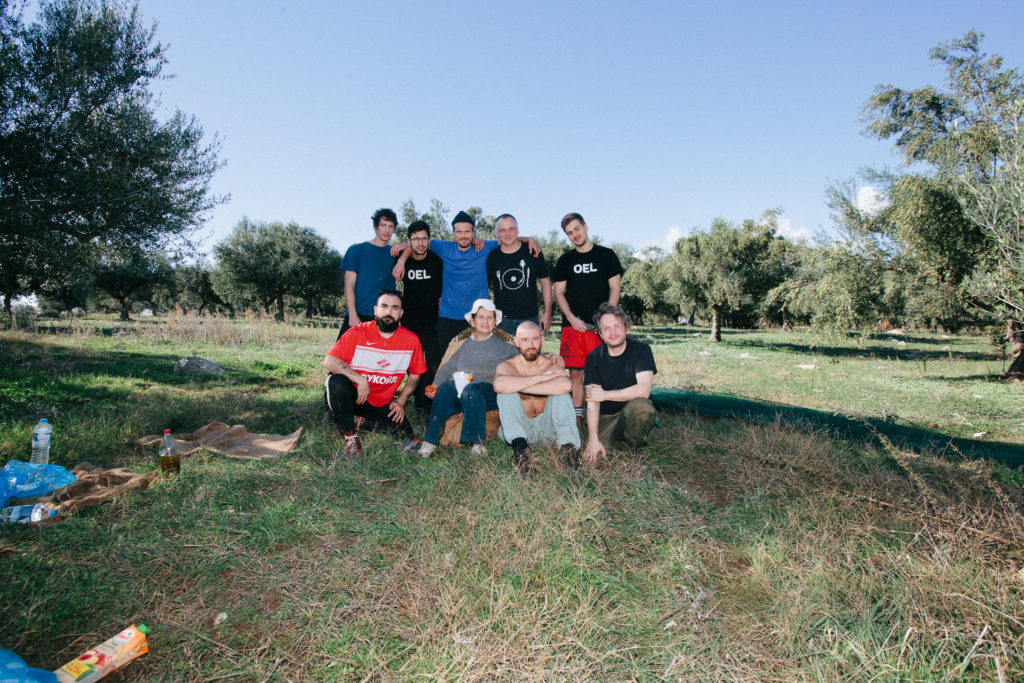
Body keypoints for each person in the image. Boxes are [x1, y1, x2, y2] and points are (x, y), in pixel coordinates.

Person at [393, 210, 541, 353]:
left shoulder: (483, 247)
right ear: (453, 233)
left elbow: (506, 238)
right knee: (446, 363)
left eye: (467, 232)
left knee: (477, 363)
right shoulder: (443, 247)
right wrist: (401, 260)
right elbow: (418, 244)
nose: (463, 236)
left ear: (473, 233)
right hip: (448, 317)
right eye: (459, 232)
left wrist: (529, 239)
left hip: (477, 318)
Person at [323, 289, 426, 458]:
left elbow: (415, 374)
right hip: (354, 396)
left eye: (394, 308)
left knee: (406, 435)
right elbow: (330, 361)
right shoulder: (357, 332)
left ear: (401, 313)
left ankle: (359, 421)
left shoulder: (411, 340)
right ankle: (351, 436)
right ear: (375, 310)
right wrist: (359, 380)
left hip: (380, 401)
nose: (388, 311)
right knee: (336, 382)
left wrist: (401, 401)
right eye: (384, 306)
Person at [416, 299, 518, 457]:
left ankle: (477, 444)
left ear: (495, 321)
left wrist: (548, 357)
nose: (485, 321)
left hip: (489, 392)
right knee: (445, 389)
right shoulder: (461, 342)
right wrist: (435, 385)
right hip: (462, 390)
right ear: (472, 320)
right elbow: (448, 368)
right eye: (481, 317)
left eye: (489, 317)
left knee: (472, 389)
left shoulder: (505, 343)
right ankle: (430, 441)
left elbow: (526, 356)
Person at [552, 212, 624, 421]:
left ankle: (603, 416)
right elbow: (559, 293)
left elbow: (615, 289)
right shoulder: (565, 260)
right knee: (575, 374)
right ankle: (576, 419)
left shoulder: (607, 255)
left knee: (600, 373)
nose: (575, 234)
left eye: (577, 229)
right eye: (569, 233)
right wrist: (572, 319)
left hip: (598, 328)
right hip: (572, 327)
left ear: (585, 226)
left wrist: (606, 320)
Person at [493, 321, 580, 479]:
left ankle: (569, 450)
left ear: (542, 339)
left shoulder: (550, 365)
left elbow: (566, 384)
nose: (530, 344)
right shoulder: (508, 366)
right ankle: (522, 453)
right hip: (520, 430)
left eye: (534, 339)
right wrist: (541, 378)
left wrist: (519, 384)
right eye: (525, 340)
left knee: (561, 394)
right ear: (516, 342)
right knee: (505, 393)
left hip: (548, 431)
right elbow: (499, 384)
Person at [582, 303, 657, 463]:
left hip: (630, 413)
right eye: (606, 328)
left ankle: (634, 445)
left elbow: (644, 391)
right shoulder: (593, 357)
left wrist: (605, 394)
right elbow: (593, 401)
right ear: (600, 334)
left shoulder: (642, 350)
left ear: (627, 328)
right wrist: (592, 439)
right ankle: (605, 439)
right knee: (598, 461)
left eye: (617, 326)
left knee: (643, 407)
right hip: (604, 417)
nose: (613, 332)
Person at [399, 220, 444, 419]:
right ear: (409, 241)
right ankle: (418, 403)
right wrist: (401, 257)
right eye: (415, 239)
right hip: (409, 319)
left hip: (432, 318)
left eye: (424, 238)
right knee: (413, 364)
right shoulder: (403, 259)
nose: (420, 243)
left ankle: (428, 403)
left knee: (433, 361)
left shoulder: (437, 260)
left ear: (429, 240)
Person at [487, 213, 553, 335]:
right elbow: (481, 286)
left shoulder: (533, 251)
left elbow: (545, 283)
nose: (507, 233)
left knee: (530, 354)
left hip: (530, 319)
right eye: (502, 230)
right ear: (497, 234)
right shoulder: (492, 257)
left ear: (517, 230)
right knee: (505, 355)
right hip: (502, 322)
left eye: (511, 229)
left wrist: (547, 313)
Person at [338, 208, 398, 339]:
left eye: (391, 226)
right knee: (338, 359)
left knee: (380, 359)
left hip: (383, 318)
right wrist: (353, 315)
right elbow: (349, 285)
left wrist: (403, 247)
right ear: (375, 227)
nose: (387, 230)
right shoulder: (356, 251)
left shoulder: (395, 253)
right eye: (383, 225)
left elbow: (416, 246)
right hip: (358, 314)